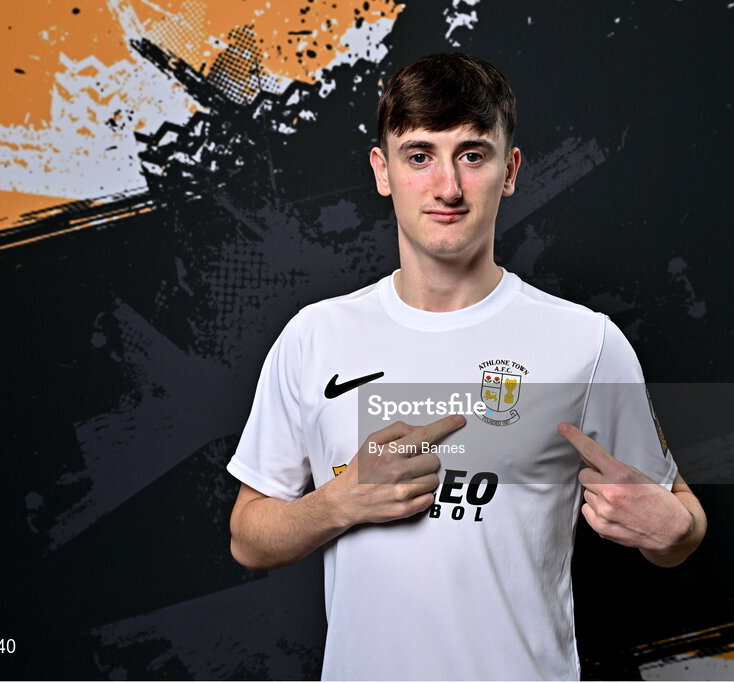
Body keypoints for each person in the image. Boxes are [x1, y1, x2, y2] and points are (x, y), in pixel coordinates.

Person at [227, 52, 707, 680]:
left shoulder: (586, 343)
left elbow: (679, 523)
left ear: (509, 171)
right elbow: (248, 539)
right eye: (419, 155)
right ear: (383, 170)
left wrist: (671, 529)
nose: (447, 187)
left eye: (472, 155)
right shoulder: (315, 337)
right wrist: (339, 503)